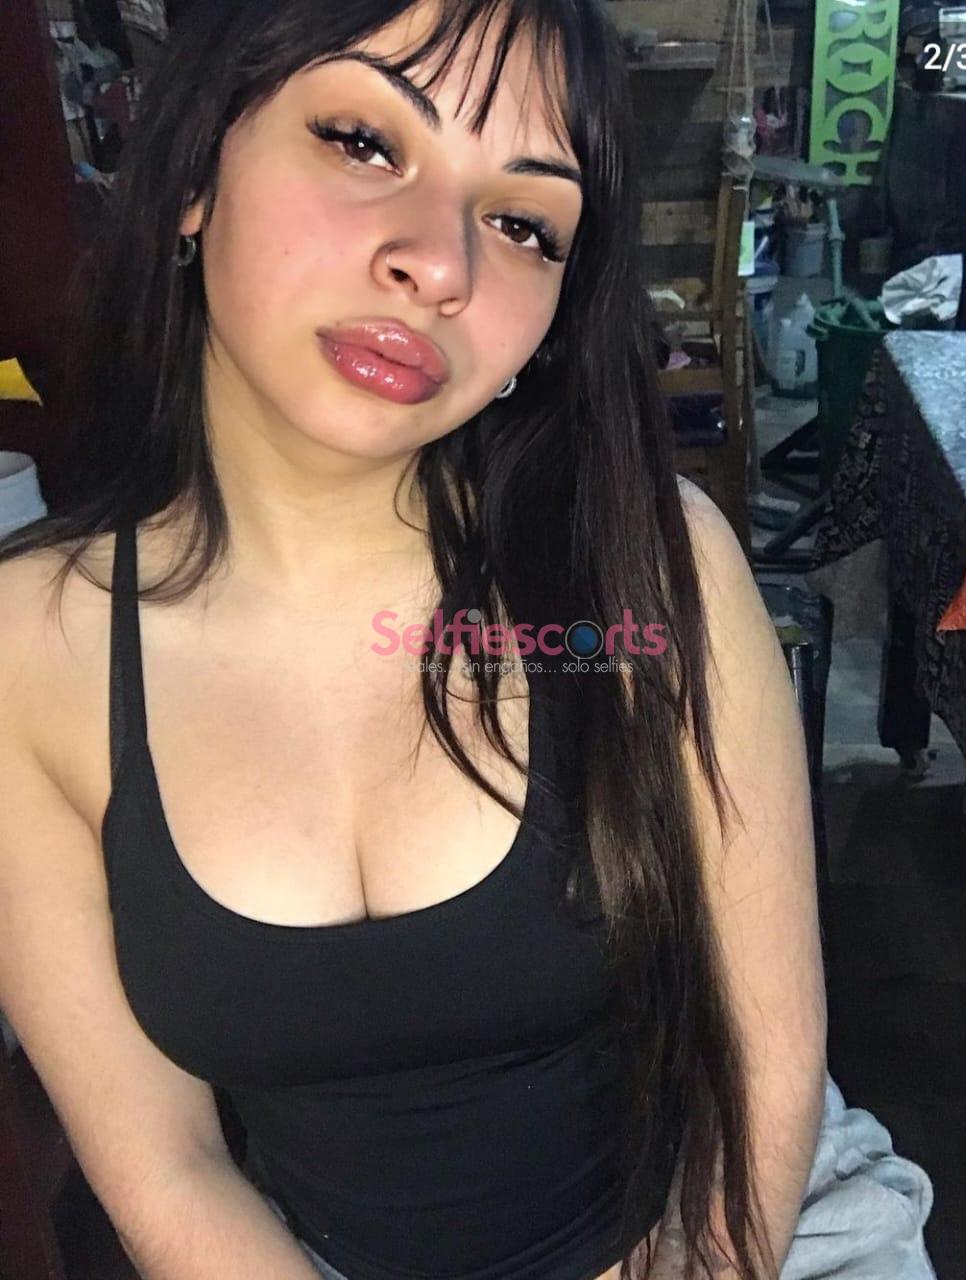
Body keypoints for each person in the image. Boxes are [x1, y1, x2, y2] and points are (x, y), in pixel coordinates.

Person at [0, 2, 829, 1278]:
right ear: (195, 176)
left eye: (522, 224)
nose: (440, 264)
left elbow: (767, 1061)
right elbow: (168, 1169)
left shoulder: (646, 566)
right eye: (362, 141)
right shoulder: (28, 652)